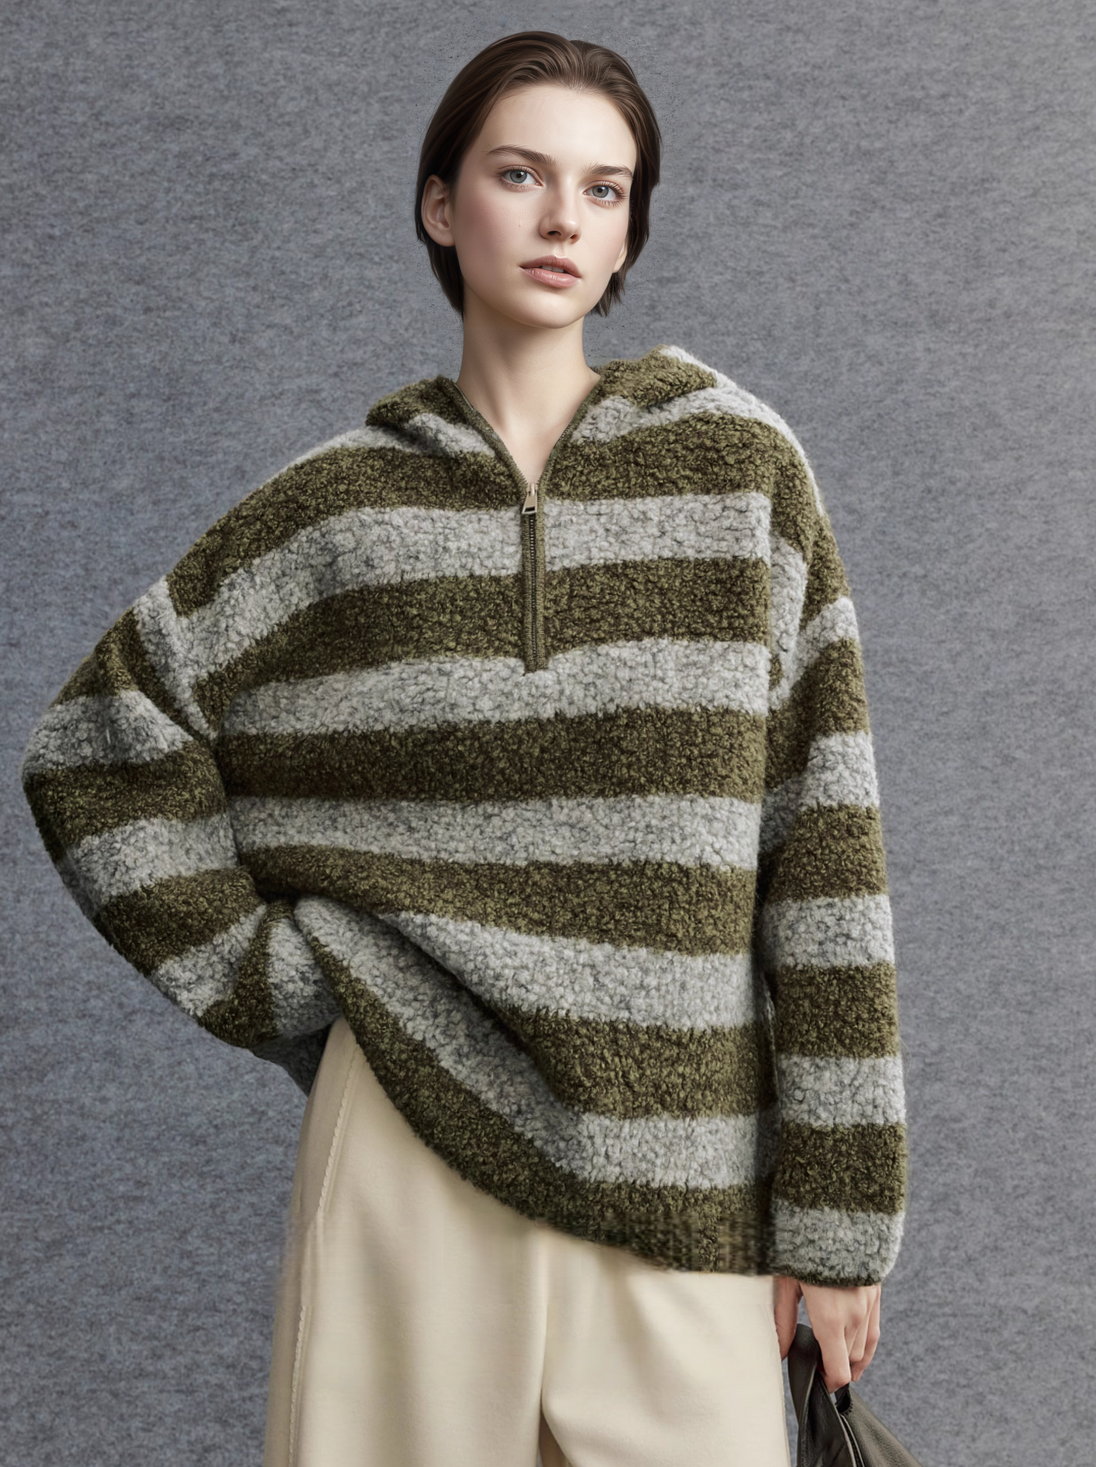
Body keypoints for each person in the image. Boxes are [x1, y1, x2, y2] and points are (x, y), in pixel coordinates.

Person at [20, 30, 908, 1467]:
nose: (565, 220)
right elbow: (94, 747)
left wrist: (841, 1219)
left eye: (605, 190)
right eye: (519, 175)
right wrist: (285, 980)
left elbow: (825, 857)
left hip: (687, 1187)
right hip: (408, 1149)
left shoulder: (741, 476)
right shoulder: (338, 513)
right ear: (441, 204)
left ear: (629, 231)